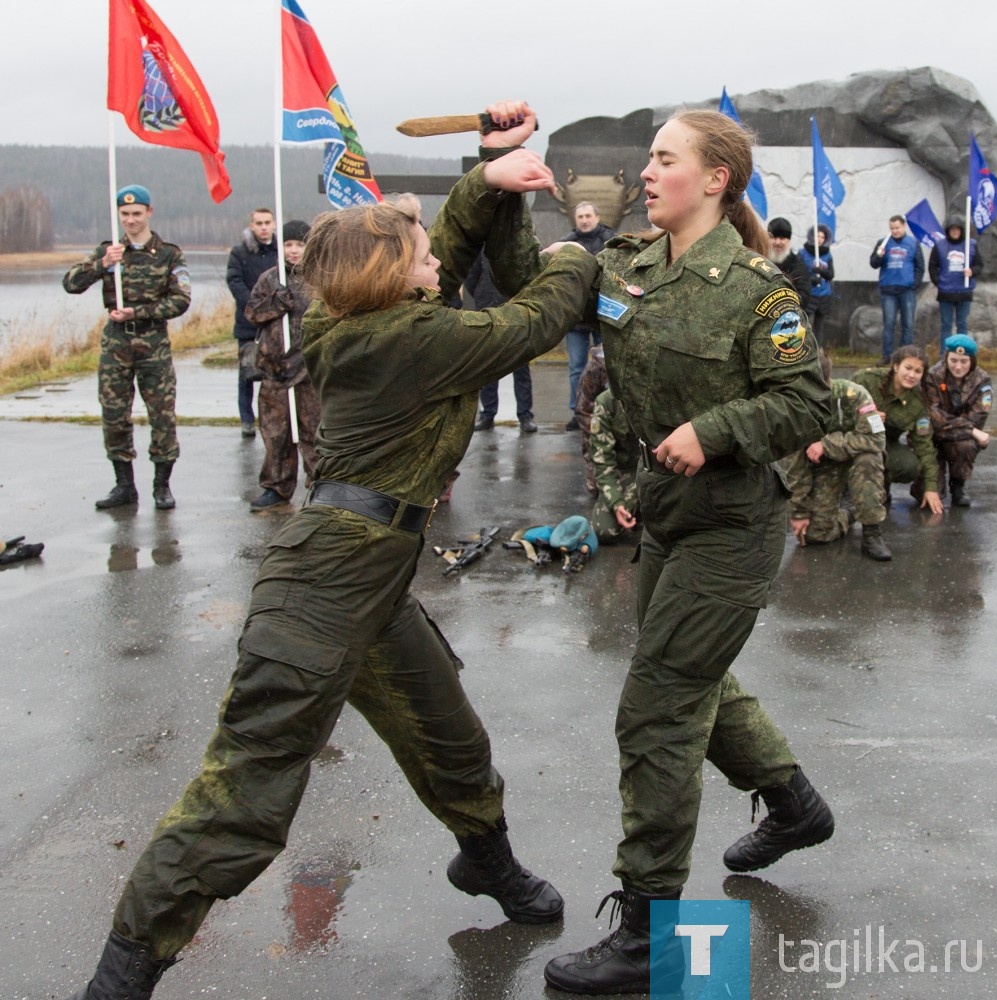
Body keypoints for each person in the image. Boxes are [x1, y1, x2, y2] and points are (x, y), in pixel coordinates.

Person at [62, 106, 601, 1000]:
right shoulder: (414, 341)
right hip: (321, 586)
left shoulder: (371, 322)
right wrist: (576, 255)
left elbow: (447, 251)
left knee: (451, 738)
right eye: (423, 257)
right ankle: (118, 977)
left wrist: (488, 171)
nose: (439, 265)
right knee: (246, 795)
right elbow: (536, 317)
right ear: (396, 278)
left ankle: (488, 865)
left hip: (377, 577)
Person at [477, 102, 834, 995]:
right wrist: (498, 181)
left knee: (658, 709)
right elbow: (532, 282)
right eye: (648, 158)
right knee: (690, 682)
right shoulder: (625, 267)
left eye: (664, 159)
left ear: (714, 179)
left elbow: (808, 405)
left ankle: (652, 932)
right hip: (667, 514)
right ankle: (794, 805)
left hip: (733, 526)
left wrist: (712, 429)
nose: (645, 172)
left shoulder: (760, 291)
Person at [62, 184, 190, 511]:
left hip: (153, 343)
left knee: (161, 414)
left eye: (136, 213)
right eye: (124, 214)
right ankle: (124, 484)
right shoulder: (110, 251)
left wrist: (141, 311)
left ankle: (162, 485)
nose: (130, 220)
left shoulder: (169, 254)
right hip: (116, 342)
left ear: (149, 212)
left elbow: (180, 300)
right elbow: (71, 284)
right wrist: (102, 264)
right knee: (114, 414)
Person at [244, 220, 321, 512]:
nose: (293, 251)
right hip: (274, 372)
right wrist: (277, 303)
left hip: (309, 371)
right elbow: (252, 312)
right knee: (276, 434)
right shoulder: (270, 279)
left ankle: (319, 487)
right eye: (288, 244)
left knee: (313, 433)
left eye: (299, 244)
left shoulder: (318, 279)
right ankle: (276, 487)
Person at [784, 351, 891, 560]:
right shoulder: (797, 407)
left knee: (869, 459)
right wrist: (798, 512)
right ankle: (849, 512)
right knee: (816, 535)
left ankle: (871, 533)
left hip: (858, 462)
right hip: (826, 467)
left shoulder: (855, 395)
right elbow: (795, 464)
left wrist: (826, 443)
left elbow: (876, 440)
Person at [853, 346, 944, 514]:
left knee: (910, 465)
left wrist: (931, 488)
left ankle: (881, 486)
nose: (911, 375)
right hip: (852, 437)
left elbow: (925, 446)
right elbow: (837, 408)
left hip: (884, 444)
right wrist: (863, 416)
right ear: (895, 366)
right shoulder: (867, 380)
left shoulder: (918, 403)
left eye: (918, 371)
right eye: (908, 368)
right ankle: (846, 488)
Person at [465, 251, 537, 433]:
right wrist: (484, 296)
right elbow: (471, 278)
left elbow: (531, 276)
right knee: (488, 367)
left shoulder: (520, 246)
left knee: (521, 368)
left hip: (517, 312)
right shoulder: (482, 248)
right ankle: (487, 414)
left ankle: (525, 415)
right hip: (487, 312)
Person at [559, 201, 616, 430]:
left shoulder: (611, 241)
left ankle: (608, 410)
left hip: (604, 316)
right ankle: (578, 411)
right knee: (576, 368)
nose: (584, 219)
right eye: (580, 216)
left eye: (588, 215)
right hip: (576, 318)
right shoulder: (566, 244)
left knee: (608, 367)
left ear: (597, 216)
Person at [226, 208, 278, 438]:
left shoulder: (282, 251)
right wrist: (254, 305)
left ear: (274, 224)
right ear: (252, 225)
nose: (264, 227)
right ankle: (246, 419)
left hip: (277, 321)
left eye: (267, 222)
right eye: (259, 223)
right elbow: (234, 281)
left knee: (275, 373)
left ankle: (275, 417)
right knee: (246, 373)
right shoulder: (240, 253)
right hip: (248, 323)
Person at [925, 334, 992, 507]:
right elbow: (933, 414)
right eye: (953, 360)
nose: (958, 366)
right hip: (933, 437)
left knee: (966, 445)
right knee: (928, 497)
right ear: (946, 357)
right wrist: (970, 430)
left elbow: (978, 417)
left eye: (964, 361)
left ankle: (958, 485)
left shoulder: (982, 380)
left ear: (972, 361)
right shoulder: (933, 375)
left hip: (959, 439)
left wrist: (967, 431)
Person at [870, 215, 924, 365]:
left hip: (907, 290)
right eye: (892, 228)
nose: (894, 231)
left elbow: (920, 266)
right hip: (888, 290)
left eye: (897, 228)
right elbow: (873, 263)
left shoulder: (913, 243)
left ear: (904, 226)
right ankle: (887, 356)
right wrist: (878, 256)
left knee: (908, 325)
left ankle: (906, 356)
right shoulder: (883, 243)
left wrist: (915, 284)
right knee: (889, 324)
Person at [589, 388, 641, 543]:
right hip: (628, 471)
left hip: (661, 467)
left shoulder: (658, 394)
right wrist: (617, 503)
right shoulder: (607, 402)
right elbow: (603, 461)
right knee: (605, 530)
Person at [928, 216, 983, 355]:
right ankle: (944, 355)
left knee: (962, 325)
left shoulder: (971, 244)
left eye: (957, 229)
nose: (954, 231)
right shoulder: (940, 245)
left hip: (964, 291)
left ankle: (961, 353)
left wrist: (972, 271)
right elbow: (932, 266)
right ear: (948, 230)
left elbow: (979, 265)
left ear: (961, 230)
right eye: (952, 229)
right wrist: (938, 282)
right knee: (946, 325)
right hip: (946, 292)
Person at [575, 344, 610, 494]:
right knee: (597, 488)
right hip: (596, 422)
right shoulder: (594, 370)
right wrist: (602, 432)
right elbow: (583, 410)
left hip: (624, 422)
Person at [800, 223, 835, 345]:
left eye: (822, 237)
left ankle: (818, 350)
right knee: (805, 324)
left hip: (823, 294)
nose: (819, 239)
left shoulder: (827, 254)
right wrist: (811, 279)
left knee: (819, 326)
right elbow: (800, 273)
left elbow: (831, 275)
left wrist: (822, 271)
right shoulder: (803, 253)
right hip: (809, 294)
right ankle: (804, 349)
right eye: (817, 236)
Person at [767, 216, 812, 302]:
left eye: (782, 238)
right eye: (773, 237)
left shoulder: (798, 265)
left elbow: (804, 295)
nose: (777, 242)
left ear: (788, 240)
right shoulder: (761, 261)